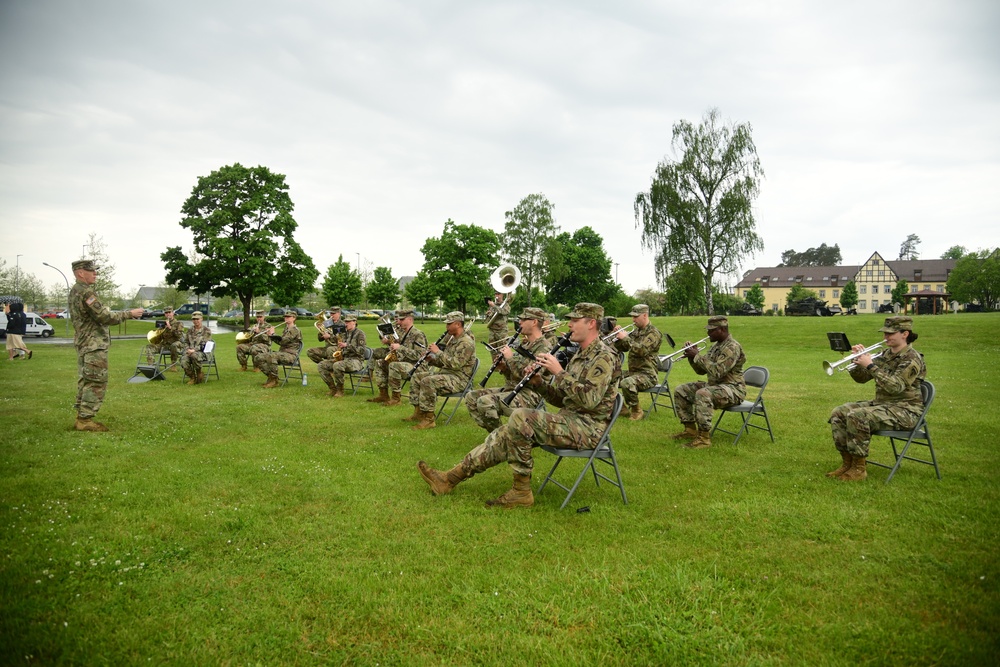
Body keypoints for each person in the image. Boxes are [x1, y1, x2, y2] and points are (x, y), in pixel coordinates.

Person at [417, 302, 621, 508]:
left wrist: (559, 372)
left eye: (575, 321)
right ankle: (450, 478)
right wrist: (539, 384)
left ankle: (521, 491)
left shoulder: (604, 356)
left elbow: (589, 400)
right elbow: (563, 399)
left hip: (589, 428)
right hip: (571, 419)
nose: (569, 325)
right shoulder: (580, 354)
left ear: (591, 323)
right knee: (506, 432)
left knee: (522, 417)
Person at [827, 317, 926, 481]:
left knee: (858, 416)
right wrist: (857, 362)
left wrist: (870, 365)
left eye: (890, 333)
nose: (885, 337)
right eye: (885, 333)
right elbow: (862, 378)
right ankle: (848, 463)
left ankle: (859, 469)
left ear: (905, 334)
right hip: (883, 405)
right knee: (839, 412)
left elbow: (896, 387)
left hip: (906, 411)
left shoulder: (912, 358)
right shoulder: (885, 354)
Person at [68, 259, 144, 431]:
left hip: (83, 343)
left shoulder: (74, 291)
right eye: (91, 271)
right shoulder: (86, 293)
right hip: (93, 345)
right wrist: (129, 314)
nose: (95, 273)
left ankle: (81, 416)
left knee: (86, 380)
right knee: (96, 381)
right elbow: (105, 317)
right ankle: (85, 420)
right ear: (80, 273)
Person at [464, 307, 550, 434]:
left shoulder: (544, 347)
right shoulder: (525, 345)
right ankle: (498, 434)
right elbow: (514, 375)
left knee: (485, 401)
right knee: (471, 397)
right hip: (512, 388)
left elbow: (528, 377)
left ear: (534, 322)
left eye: (523, 319)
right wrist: (504, 368)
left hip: (530, 394)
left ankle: (500, 437)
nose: (519, 322)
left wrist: (510, 358)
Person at [671, 316, 746, 449]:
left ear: (722, 329)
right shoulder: (715, 347)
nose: (708, 333)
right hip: (716, 386)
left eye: (711, 330)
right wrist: (691, 357)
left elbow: (718, 371)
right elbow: (701, 371)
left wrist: (697, 356)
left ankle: (704, 438)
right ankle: (690, 430)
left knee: (703, 393)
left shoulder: (732, 347)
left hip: (733, 389)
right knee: (681, 390)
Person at [405, 311, 476, 429]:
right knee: (417, 376)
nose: (446, 327)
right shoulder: (453, 340)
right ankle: (419, 413)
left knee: (428, 381)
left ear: (458, 324)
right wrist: (431, 360)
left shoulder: (466, 342)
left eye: (449, 324)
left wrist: (438, 352)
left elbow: (455, 364)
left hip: (459, 379)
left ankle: (429, 419)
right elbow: (445, 362)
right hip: (448, 374)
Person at [611, 304, 664, 420]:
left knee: (627, 382)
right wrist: (618, 336)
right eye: (632, 317)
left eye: (636, 316)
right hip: (633, 372)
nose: (633, 319)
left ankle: (637, 411)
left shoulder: (654, 333)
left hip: (648, 375)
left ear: (645, 315)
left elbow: (642, 350)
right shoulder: (636, 332)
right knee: (609, 377)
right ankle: (622, 408)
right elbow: (624, 348)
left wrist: (625, 338)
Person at [379, 309, 428, 406]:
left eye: (402, 320)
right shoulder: (401, 332)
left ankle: (396, 398)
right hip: (403, 362)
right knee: (380, 362)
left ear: (410, 319)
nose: (399, 322)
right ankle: (383, 394)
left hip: (416, 366)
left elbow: (420, 355)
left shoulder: (418, 334)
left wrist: (400, 348)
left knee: (394, 365)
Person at [317, 313, 367, 397]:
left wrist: (347, 345)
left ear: (354, 322)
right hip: (344, 359)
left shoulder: (360, 333)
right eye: (345, 322)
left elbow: (361, 350)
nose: (346, 324)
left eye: (348, 322)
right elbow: (331, 337)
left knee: (337, 365)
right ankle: (333, 389)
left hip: (356, 361)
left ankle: (340, 390)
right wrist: (323, 329)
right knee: (321, 365)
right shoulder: (343, 332)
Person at [254, 310, 302, 388]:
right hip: (282, 353)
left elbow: (283, 341)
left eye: (288, 317)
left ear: (294, 318)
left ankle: (274, 381)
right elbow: (280, 342)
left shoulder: (295, 330)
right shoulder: (286, 329)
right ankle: (272, 377)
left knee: (272, 356)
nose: (286, 318)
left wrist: (273, 334)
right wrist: (270, 336)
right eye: (285, 317)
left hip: (291, 355)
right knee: (258, 357)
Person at [367, 314, 400, 403]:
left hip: (399, 354)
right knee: (375, 354)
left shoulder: (404, 330)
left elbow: (400, 343)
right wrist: (383, 338)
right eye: (396, 318)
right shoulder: (394, 328)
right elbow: (386, 337)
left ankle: (396, 397)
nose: (397, 320)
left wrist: (389, 341)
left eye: (399, 319)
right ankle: (383, 393)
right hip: (390, 350)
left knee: (390, 364)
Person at [179, 311, 213, 385]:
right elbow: (185, 342)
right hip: (189, 352)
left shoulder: (206, 331)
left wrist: (193, 350)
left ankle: (199, 372)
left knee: (194, 355)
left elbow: (205, 344)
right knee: (183, 360)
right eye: (194, 319)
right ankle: (192, 377)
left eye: (198, 319)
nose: (196, 321)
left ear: (202, 319)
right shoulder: (189, 330)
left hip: (202, 352)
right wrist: (188, 349)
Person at [484, 292, 511, 357]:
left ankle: (504, 366)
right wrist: (488, 314)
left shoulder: (505, 304)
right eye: (495, 294)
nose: (497, 296)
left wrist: (494, 306)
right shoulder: (492, 305)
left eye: (499, 294)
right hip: (492, 331)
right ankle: (495, 365)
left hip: (501, 331)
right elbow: (489, 318)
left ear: (502, 295)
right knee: (492, 350)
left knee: (502, 351)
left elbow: (505, 312)